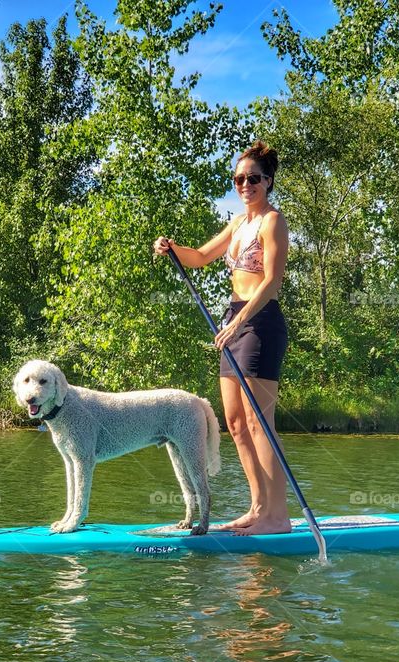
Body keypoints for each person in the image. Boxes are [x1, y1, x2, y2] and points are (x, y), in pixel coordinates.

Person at [153, 140, 290, 536]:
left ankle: (277, 518)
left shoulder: (272, 222)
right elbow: (198, 256)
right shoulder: (237, 223)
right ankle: (258, 507)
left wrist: (241, 318)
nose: (244, 185)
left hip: (260, 322)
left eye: (252, 179)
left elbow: (271, 281)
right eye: (238, 179)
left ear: (267, 181)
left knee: (259, 420)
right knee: (234, 422)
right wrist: (171, 247)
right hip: (233, 321)